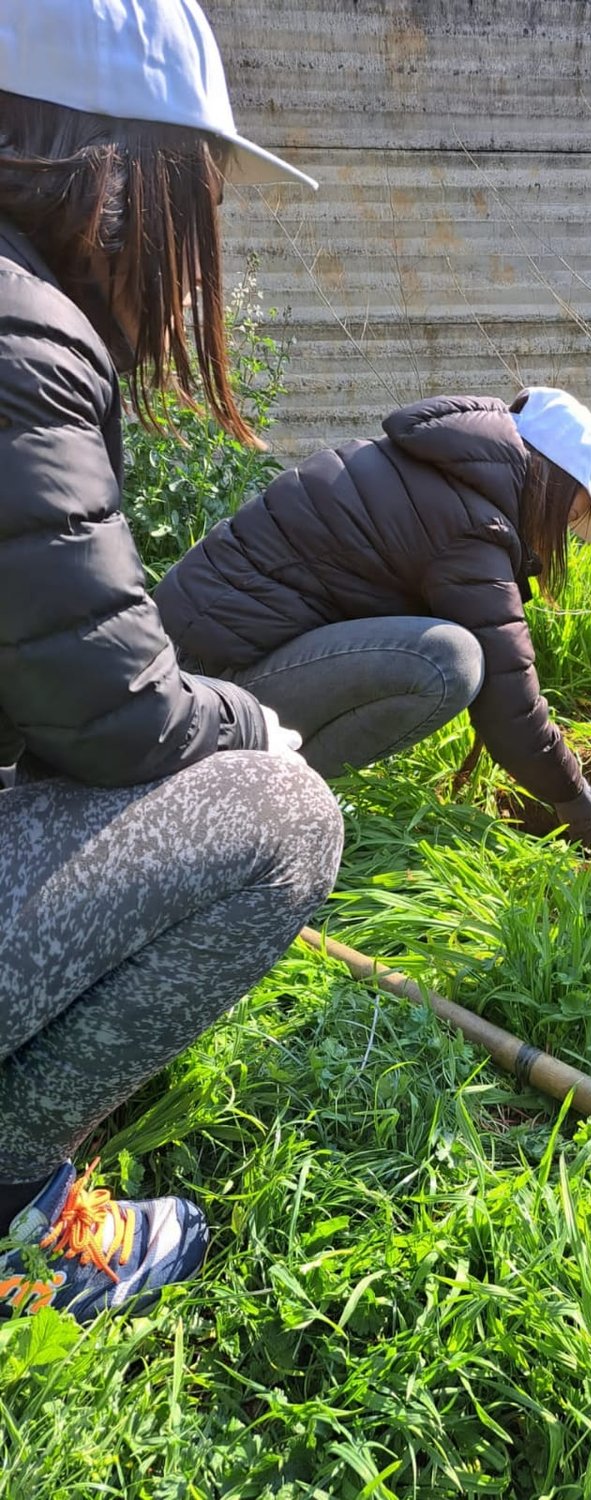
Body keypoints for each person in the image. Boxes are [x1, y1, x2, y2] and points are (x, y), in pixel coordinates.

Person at [0, 0, 343, 1322]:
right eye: (183, 188)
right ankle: (16, 1222)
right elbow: (110, 712)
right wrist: (249, 732)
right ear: (105, 161)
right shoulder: (21, 328)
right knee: (284, 819)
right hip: (169, 679)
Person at [155, 386, 591, 842]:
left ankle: (269, 784)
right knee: (448, 662)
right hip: (206, 684)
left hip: (178, 659)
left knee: (446, 653)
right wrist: (574, 796)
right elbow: (508, 697)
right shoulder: (470, 523)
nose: (566, 531)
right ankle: (265, 801)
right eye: (570, 514)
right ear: (550, 483)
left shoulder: (437, 470)